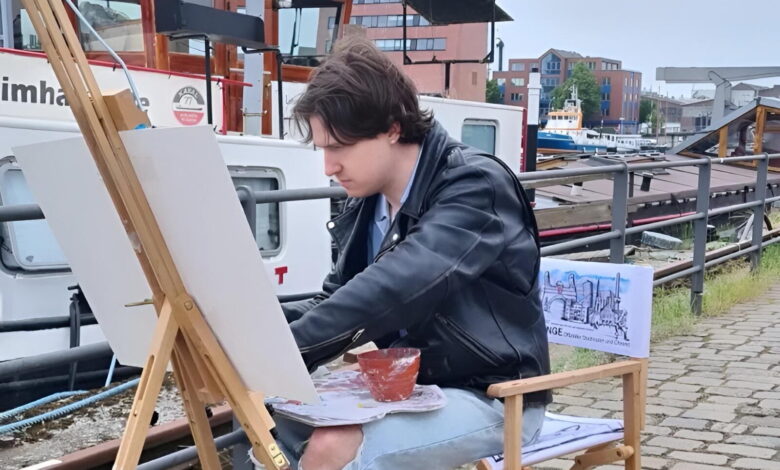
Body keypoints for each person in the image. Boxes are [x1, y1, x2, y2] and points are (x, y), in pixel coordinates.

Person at [263, 36, 551, 470]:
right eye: (323, 148)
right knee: (273, 420)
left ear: (393, 128)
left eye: (339, 147)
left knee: (332, 448)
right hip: (410, 384)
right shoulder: (369, 199)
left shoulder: (475, 185)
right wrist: (256, 329)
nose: (328, 167)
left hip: (493, 392)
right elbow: (337, 297)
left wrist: (289, 352)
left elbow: (397, 285)